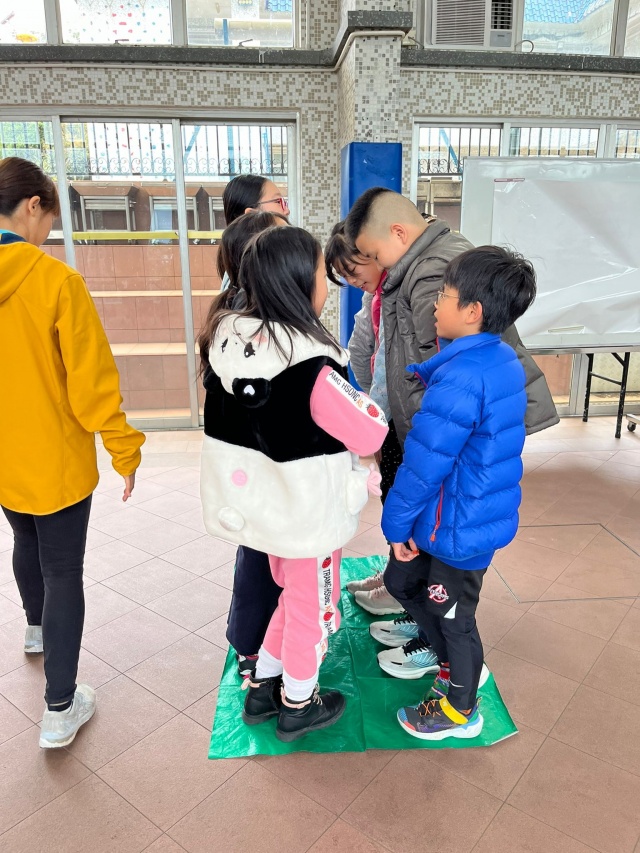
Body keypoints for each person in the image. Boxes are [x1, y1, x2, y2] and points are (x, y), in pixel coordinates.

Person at [200, 225, 387, 741]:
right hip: (309, 514)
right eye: (322, 272)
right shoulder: (309, 362)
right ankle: (299, 702)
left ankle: (265, 685)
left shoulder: (228, 342)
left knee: (291, 596)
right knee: (313, 608)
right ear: (301, 283)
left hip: (263, 510)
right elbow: (368, 430)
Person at [0, 157, 144, 749]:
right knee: (62, 570)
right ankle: (60, 707)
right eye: (48, 219)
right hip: (54, 459)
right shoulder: (56, 281)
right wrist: (123, 448)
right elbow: (92, 383)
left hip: (5, 459)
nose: (46, 234)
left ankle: (36, 630)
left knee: (24, 539)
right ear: (33, 205)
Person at [381, 246, 537, 741]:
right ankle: (448, 663)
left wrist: (395, 523)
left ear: (472, 312)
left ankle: (460, 708)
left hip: (462, 526)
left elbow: (424, 464)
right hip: (454, 515)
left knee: (454, 616)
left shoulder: (463, 378)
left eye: (444, 295)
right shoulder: (496, 358)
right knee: (404, 582)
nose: (435, 304)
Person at [344, 187, 558, 450]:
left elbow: (442, 363)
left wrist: (430, 438)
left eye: (376, 255)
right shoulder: (438, 250)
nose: (378, 266)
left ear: (399, 233)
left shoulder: (431, 271)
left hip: (456, 429)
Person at [325, 223, 440, 682]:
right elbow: (365, 354)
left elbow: (395, 368)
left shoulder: (409, 289)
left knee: (414, 522)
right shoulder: (378, 298)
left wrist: (375, 421)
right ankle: (407, 596)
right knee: (399, 511)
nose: (354, 281)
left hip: (409, 426)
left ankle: (423, 617)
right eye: (344, 278)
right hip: (393, 422)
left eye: (355, 269)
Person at [198, 210, 288, 678]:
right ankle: (254, 647)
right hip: (258, 464)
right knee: (261, 557)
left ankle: (254, 642)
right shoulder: (250, 329)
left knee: (260, 553)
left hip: (248, 464)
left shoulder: (234, 314)